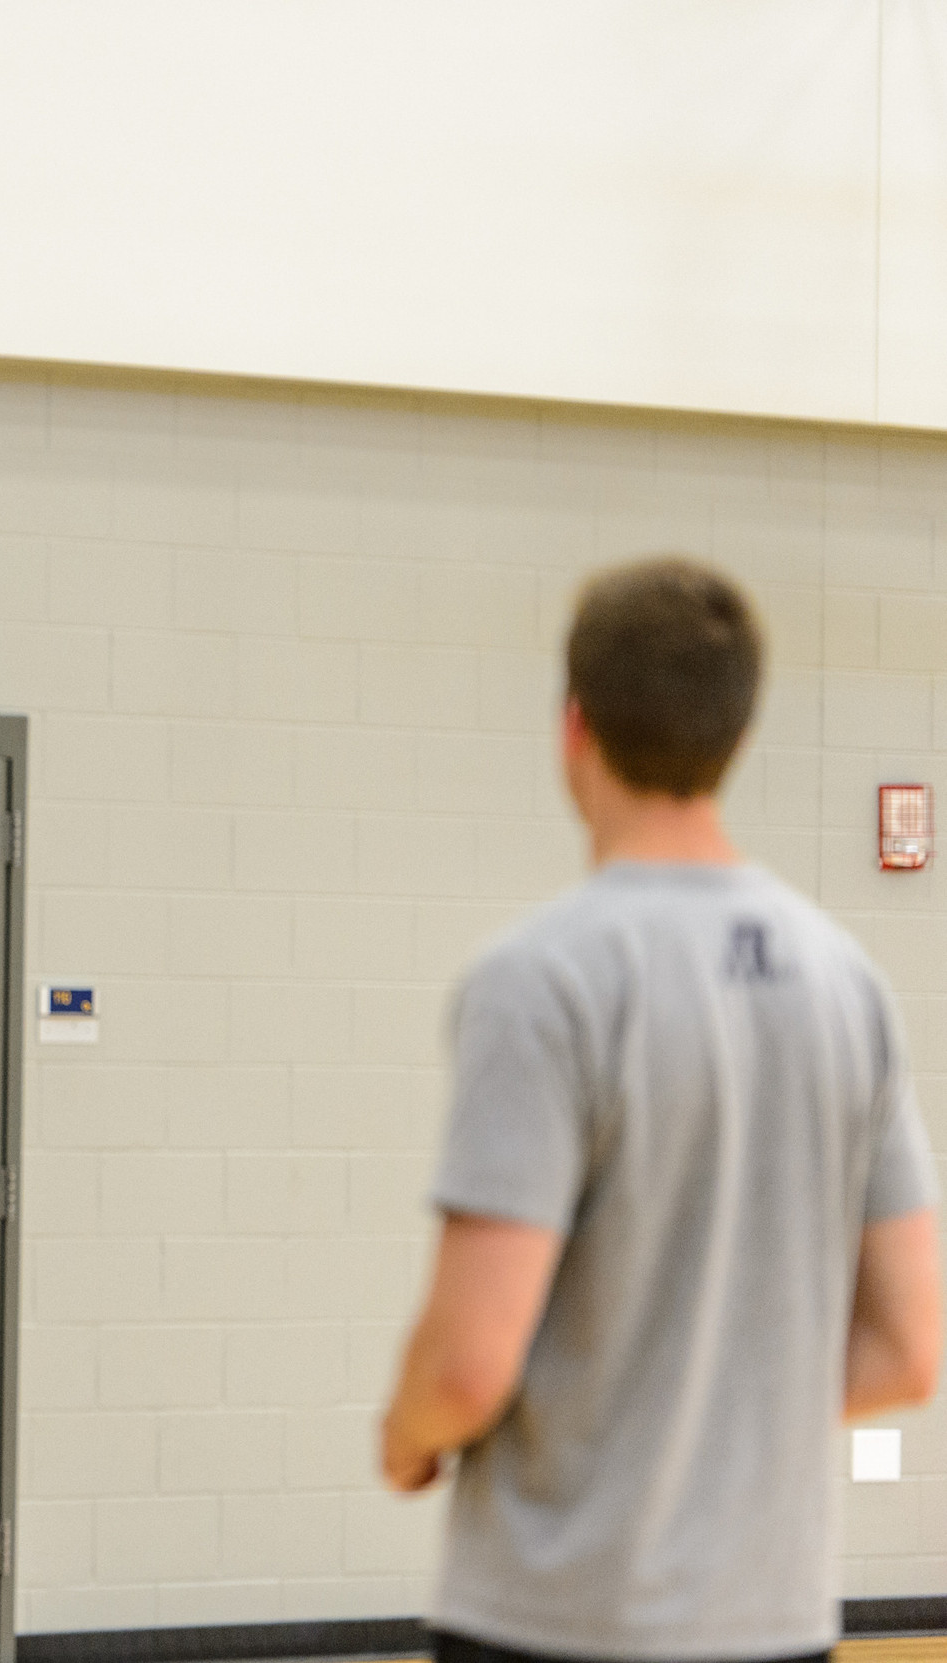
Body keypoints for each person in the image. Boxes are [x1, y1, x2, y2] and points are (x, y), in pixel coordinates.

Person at [380, 558, 943, 1663]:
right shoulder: (846, 982)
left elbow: (463, 1367)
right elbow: (909, 1348)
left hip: (554, 1618)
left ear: (573, 727)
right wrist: (727, 1424)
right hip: (771, 1620)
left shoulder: (540, 976)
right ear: (734, 735)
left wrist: (405, 1440)